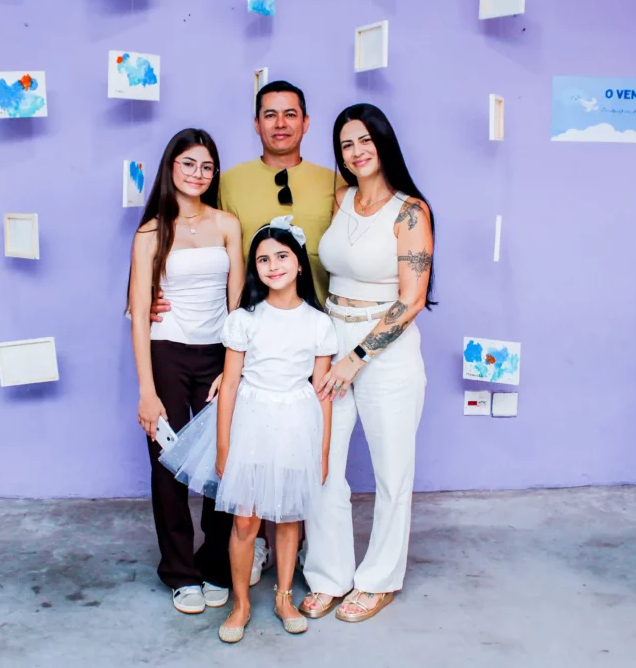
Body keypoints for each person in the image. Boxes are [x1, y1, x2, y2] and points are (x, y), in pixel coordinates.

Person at [152, 80, 344, 584]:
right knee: (246, 451)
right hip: (246, 336)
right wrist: (148, 295)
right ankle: (243, 548)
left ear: (306, 122)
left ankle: (298, 550)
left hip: (314, 333)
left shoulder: (334, 182)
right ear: (256, 123)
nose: (280, 123)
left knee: (299, 444)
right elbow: (195, 237)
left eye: (290, 113)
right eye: (269, 114)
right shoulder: (230, 181)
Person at [158, 216, 337, 643]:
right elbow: (230, 385)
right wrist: (223, 446)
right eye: (262, 259)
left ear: (299, 263)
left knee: (288, 518)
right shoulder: (244, 319)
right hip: (251, 422)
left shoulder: (318, 323)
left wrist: (323, 450)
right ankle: (240, 604)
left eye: (282, 256)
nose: (273, 266)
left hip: (295, 423)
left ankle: (283, 598)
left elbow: (322, 392)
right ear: (254, 268)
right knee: (244, 521)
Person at [300, 103, 435, 623]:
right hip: (333, 334)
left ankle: (379, 580)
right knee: (321, 463)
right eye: (345, 144)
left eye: (364, 140)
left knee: (392, 470)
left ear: (383, 142)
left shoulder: (410, 211)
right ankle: (328, 575)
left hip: (385, 349)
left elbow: (412, 298)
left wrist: (357, 356)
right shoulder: (340, 199)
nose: (356, 152)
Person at [127, 128, 245, 615]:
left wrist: (233, 367)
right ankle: (179, 572)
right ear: (171, 167)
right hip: (167, 353)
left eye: (207, 166)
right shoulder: (150, 233)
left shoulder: (227, 224)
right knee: (168, 464)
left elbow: (239, 306)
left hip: (218, 354)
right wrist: (147, 391)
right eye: (188, 163)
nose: (198, 173)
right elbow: (139, 314)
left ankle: (215, 564)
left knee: (224, 460)